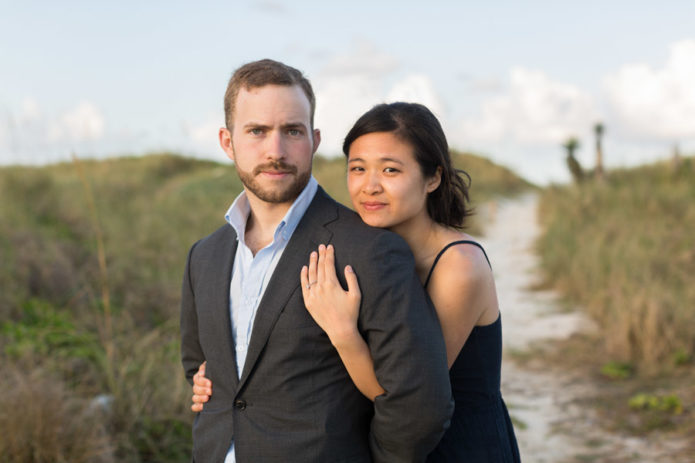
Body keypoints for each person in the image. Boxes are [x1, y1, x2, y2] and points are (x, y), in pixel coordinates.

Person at [193, 102, 521, 462]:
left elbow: (409, 395)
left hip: (458, 445)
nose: (370, 186)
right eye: (358, 169)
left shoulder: (459, 266)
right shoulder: (360, 251)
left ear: (433, 177)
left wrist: (343, 332)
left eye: (391, 170)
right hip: (385, 442)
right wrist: (224, 379)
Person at [180, 60, 452, 463]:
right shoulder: (204, 256)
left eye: (292, 131)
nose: (276, 151)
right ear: (227, 141)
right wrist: (207, 385)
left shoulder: (370, 250)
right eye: (257, 131)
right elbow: (199, 366)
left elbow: (420, 406)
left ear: (315, 139)